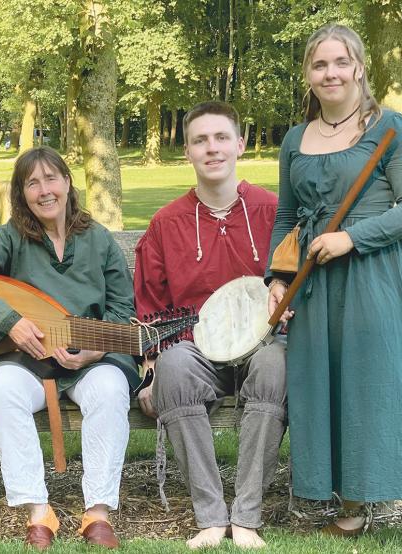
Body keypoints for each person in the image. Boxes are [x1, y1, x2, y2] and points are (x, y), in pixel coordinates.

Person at [266, 23, 402, 553]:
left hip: (373, 276)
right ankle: (350, 508)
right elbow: (287, 217)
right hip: (314, 285)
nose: (331, 73)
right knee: (329, 388)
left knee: (385, 387)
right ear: (308, 74)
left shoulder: (391, 128)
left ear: (359, 66)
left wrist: (352, 238)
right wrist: (276, 278)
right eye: (319, 65)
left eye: (340, 62)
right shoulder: (296, 139)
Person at [0, 146, 138, 550]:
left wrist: (95, 349)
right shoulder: (11, 238)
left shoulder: (99, 240)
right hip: (28, 361)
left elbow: (123, 308)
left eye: (51, 178)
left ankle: (98, 512)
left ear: (68, 183)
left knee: (110, 389)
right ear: (22, 193)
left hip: (88, 361)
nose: (44, 190)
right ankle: (39, 511)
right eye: (32, 183)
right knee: (0, 390)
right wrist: (11, 323)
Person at [133, 101, 288, 550]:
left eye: (221, 137)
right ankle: (210, 516)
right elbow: (152, 308)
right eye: (200, 140)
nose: (212, 148)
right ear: (187, 151)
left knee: (276, 363)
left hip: (262, 342)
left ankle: (246, 517)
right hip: (196, 348)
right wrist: (150, 373)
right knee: (176, 368)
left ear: (239, 144)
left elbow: (295, 283)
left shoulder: (273, 211)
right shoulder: (167, 223)